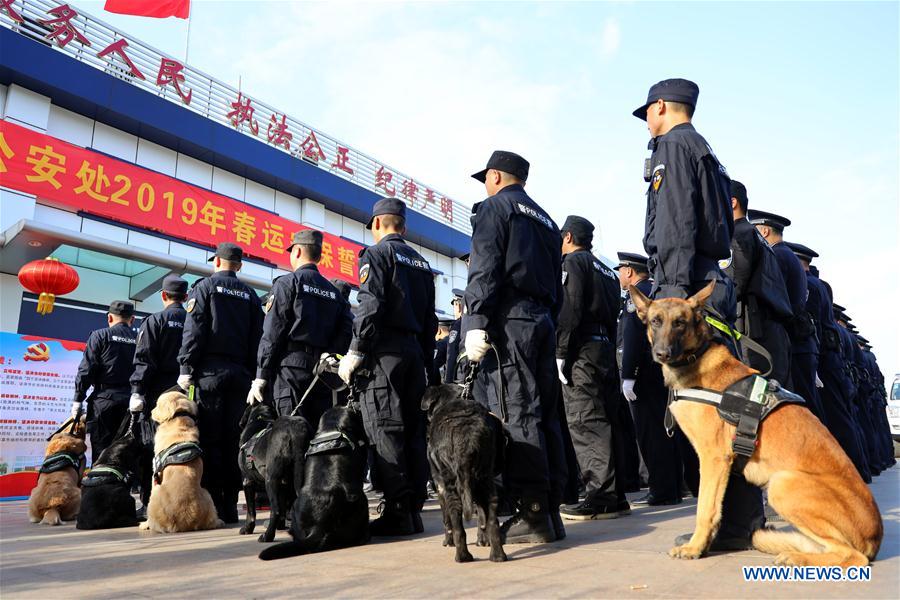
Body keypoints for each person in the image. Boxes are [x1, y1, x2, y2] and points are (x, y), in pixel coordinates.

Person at [634, 78, 764, 551]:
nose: (647, 123)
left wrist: (672, 294)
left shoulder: (670, 145)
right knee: (738, 412)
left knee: (706, 415)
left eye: (647, 112)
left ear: (663, 106)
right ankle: (742, 521)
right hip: (712, 281)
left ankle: (721, 524)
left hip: (685, 286)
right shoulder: (707, 151)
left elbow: (675, 224)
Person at [462, 150, 567, 544]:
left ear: (494, 176)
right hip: (541, 320)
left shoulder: (495, 208)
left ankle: (533, 512)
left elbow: (485, 268)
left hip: (510, 323)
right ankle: (550, 509)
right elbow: (557, 289)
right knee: (546, 416)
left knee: (515, 413)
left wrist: (475, 320)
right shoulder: (547, 220)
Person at [338, 197, 437, 536]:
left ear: (377, 224)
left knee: (385, 428)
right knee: (412, 430)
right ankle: (413, 510)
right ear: (403, 227)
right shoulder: (422, 263)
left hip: (385, 354)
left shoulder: (375, 255)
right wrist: (428, 362)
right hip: (414, 354)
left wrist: (356, 349)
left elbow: (371, 305)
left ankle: (397, 510)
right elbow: (429, 319)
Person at [177, 242, 263, 523]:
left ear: (216, 263)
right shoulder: (250, 295)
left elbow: (195, 330)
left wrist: (186, 366)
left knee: (211, 438)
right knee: (235, 440)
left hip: (210, 375)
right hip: (240, 376)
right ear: (238, 266)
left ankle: (213, 503)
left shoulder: (203, 289)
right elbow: (257, 340)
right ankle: (231, 502)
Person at [554, 216, 630, 520]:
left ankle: (601, 495)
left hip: (581, 348)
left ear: (569, 237)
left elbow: (570, 308)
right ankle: (616, 493)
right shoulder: (607, 272)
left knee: (586, 420)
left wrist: (561, 350)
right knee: (607, 419)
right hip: (603, 348)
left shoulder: (573, 263)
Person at [249, 230, 353, 428]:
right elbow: (346, 330)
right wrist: (330, 354)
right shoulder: (334, 293)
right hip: (321, 372)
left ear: (296, 252)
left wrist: (261, 375)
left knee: (290, 433)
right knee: (316, 434)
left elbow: (272, 332)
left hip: (290, 370)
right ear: (319, 256)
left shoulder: (287, 283)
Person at [616, 252, 683, 505]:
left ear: (630, 272)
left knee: (650, 434)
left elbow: (632, 339)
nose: (621, 275)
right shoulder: (659, 294)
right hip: (662, 371)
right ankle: (673, 487)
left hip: (643, 374)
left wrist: (628, 375)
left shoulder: (638, 299)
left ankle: (661, 490)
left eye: (622, 270)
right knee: (667, 431)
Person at [724, 182, 795, 390]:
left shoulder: (739, 235)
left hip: (753, 334)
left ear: (732, 202)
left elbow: (733, 286)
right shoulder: (754, 235)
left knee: (755, 404)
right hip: (769, 332)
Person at [129, 274, 188, 515]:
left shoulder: (155, 321)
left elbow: (144, 360)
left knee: (152, 448)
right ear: (185, 297)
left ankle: (151, 502)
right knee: (184, 446)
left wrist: (137, 391)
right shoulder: (195, 320)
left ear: (163, 295)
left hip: (157, 396)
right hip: (186, 394)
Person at [747, 210, 818, 401]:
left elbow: (771, 295)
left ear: (764, 232)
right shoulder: (789, 256)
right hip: (796, 336)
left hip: (785, 334)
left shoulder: (776, 256)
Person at [72, 300, 137, 464]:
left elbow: (86, 370)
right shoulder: (140, 339)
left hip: (104, 401)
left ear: (109, 318)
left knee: (101, 451)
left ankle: (99, 486)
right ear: (132, 319)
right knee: (126, 451)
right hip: (132, 403)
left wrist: (78, 399)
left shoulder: (99, 336)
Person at [443, 289, 464, 383]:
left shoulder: (458, 325)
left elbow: (451, 354)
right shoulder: (475, 323)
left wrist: (448, 382)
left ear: (458, 306)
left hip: (461, 376)